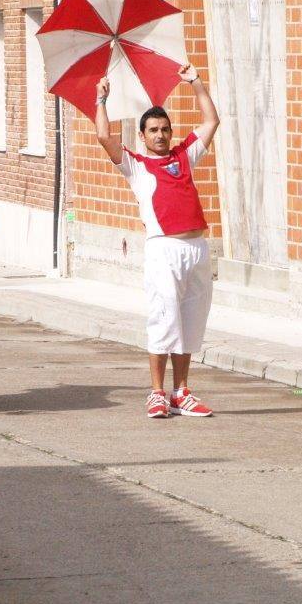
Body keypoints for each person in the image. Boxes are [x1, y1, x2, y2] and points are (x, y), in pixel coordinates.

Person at [95, 64, 221, 418]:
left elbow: (211, 121)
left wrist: (196, 82)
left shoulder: (185, 156)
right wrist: (101, 99)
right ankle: (156, 392)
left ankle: (182, 391)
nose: (161, 135)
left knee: (191, 321)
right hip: (163, 249)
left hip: (196, 248)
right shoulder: (135, 165)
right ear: (143, 135)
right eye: (153, 130)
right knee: (164, 319)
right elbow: (104, 137)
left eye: (165, 129)